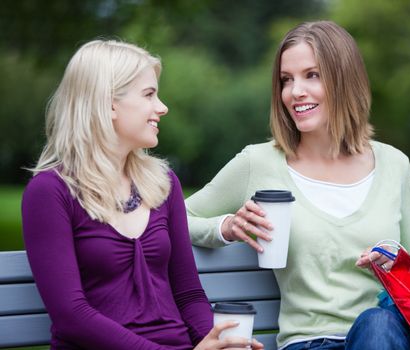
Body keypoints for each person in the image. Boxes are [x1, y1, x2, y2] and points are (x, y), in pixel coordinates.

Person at [186, 21, 410, 350]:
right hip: (310, 342)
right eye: (286, 80)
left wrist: (395, 266)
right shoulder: (258, 163)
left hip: (384, 338)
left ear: (344, 79)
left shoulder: (394, 165)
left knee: (376, 323)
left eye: (311, 75)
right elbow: (175, 218)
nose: (295, 91)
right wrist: (226, 227)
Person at [21, 39, 264, 350]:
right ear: (108, 104)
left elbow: (188, 294)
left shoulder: (163, 184)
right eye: (149, 94)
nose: (162, 107)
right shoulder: (51, 192)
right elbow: (72, 316)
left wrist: (217, 343)